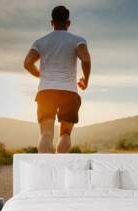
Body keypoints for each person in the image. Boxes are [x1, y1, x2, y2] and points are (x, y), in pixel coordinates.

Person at [23, 5, 91, 153]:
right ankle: (60, 171)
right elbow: (85, 60)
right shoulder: (77, 40)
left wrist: (40, 75)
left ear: (52, 22)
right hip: (69, 92)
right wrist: (85, 80)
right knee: (65, 134)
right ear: (68, 23)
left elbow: (28, 63)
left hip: (46, 92)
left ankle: (46, 172)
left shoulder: (41, 41)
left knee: (46, 133)